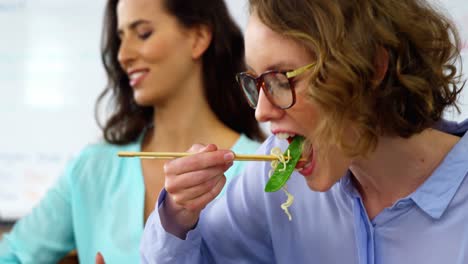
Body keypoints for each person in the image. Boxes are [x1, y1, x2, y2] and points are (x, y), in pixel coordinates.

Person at [140, 0, 468, 263]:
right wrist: (179, 215)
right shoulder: (277, 174)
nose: (261, 111)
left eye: (281, 80)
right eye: (256, 83)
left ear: (371, 67)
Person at [0, 0, 264, 263]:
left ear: (198, 37)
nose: (122, 55)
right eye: (121, 38)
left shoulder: (260, 169)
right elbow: (13, 255)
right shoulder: (94, 167)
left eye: (143, 34)